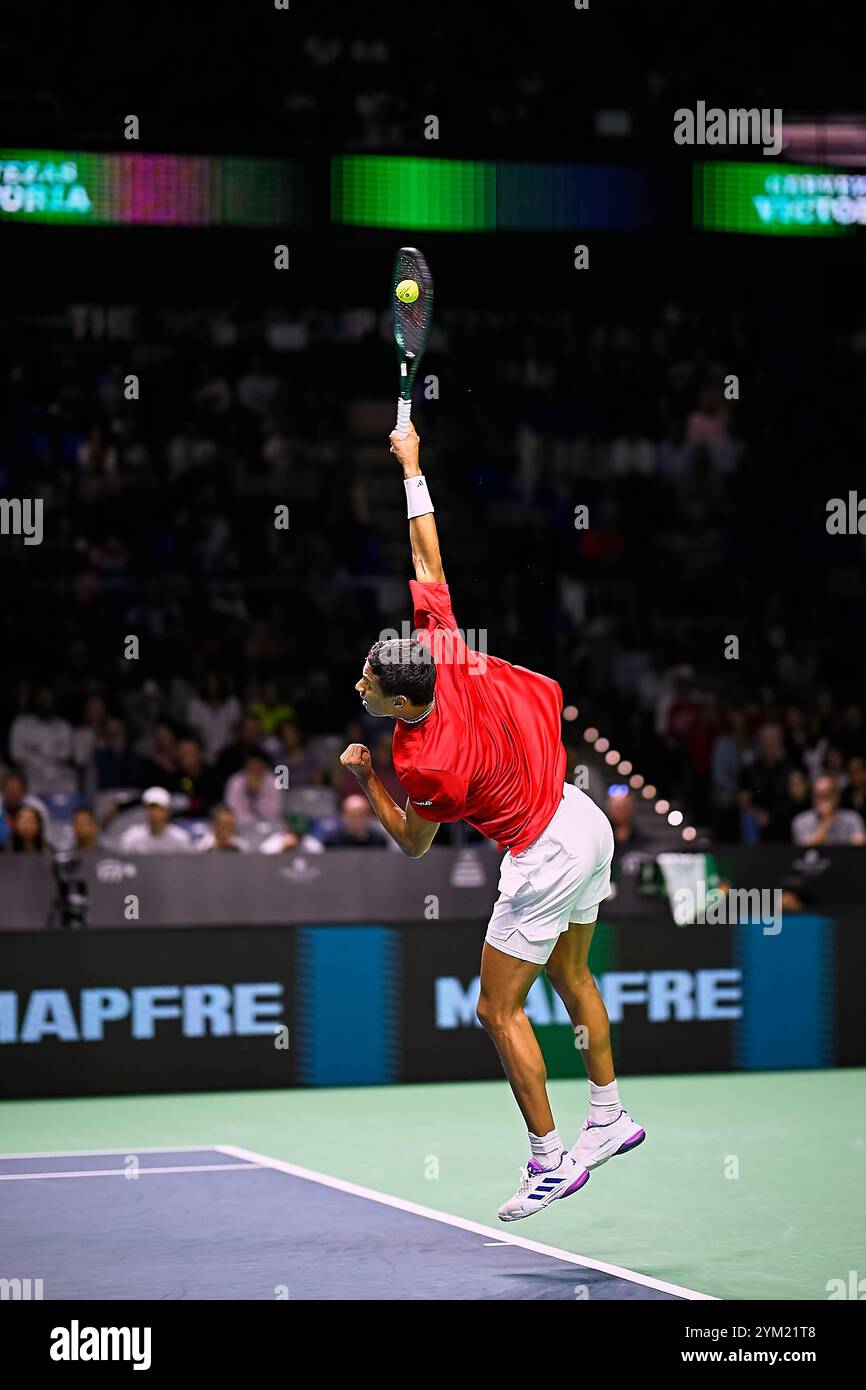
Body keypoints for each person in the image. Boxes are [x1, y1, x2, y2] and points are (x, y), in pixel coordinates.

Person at [340, 423, 642, 1222]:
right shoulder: (442, 646)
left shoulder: (424, 762)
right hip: (580, 818)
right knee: (575, 976)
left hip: (542, 853)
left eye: (370, 683)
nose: (360, 683)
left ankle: (551, 1161)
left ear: (403, 703)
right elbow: (427, 559)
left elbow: (413, 842)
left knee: (496, 1010)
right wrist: (413, 466)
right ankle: (608, 1115)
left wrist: (370, 779)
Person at [792, 776, 866, 848]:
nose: (824, 800)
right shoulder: (801, 821)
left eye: (827, 795)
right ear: (813, 799)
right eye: (819, 795)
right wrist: (827, 820)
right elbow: (804, 852)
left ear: (837, 796)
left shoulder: (853, 818)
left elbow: (859, 849)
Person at [118, 786, 192, 854]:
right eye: (151, 808)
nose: (155, 813)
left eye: (160, 808)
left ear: (168, 812)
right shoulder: (131, 838)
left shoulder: (180, 838)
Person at [224, 751, 282, 825]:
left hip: (269, 825)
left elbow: (273, 812)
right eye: (252, 764)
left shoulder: (273, 781)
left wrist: (257, 795)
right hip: (241, 826)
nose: (254, 768)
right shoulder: (236, 781)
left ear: (264, 765)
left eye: (258, 764)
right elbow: (233, 810)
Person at [321, 794, 387, 849]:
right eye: (352, 815)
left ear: (368, 817)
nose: (356, 820)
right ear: (343, 816)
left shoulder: (379, 840)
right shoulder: (331, 840)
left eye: (361, 815)